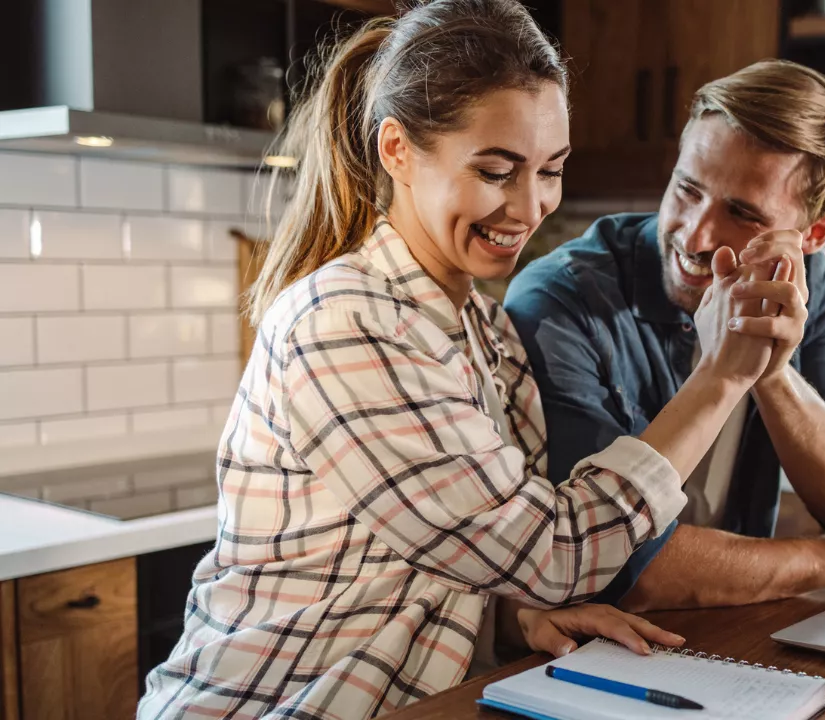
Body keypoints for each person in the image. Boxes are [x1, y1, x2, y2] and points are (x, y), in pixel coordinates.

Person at [137, 2, 780, 718]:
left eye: (551, 170)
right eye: (497, 170)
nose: (529, 205)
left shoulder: (482, 328)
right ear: (398, 151)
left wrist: (516, 620)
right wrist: (721, 376)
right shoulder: (348, 322)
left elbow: (434, 561)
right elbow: (556, 552)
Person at [504, 60, 825, 613]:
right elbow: (615, 565)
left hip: (732, 638)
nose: (696, 235)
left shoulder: (807, 288)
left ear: (813, 233)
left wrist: (772, 371)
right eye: (686, 189)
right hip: (584, 657)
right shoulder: (561, 300)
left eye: (742, 214)